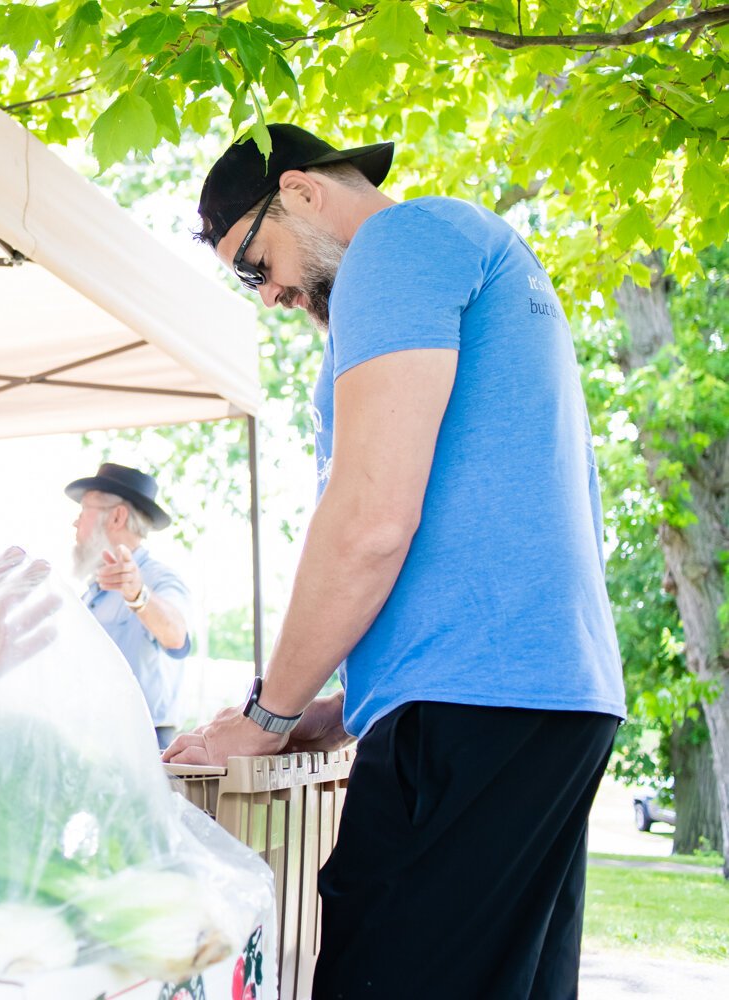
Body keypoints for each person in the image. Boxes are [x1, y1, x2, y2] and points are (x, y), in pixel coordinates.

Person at [165, 124, 625, 999]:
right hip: (539, 696)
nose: (268, 297)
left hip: (474, 705)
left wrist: (267, 713)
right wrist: (345, 705)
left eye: (254, 265)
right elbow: (483, 515)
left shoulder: (397, 244)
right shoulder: (472, 246)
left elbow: (372, 517)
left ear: (299, 192)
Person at [67, 463, 192, 750]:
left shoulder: (158, 580)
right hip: (96, 740)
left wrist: (138, 594)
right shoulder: (94, 592)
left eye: (84, 509)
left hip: (141, 745)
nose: (75, 522)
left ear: (117, 517)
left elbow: (176, 635)